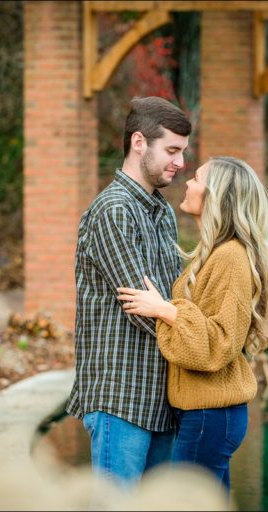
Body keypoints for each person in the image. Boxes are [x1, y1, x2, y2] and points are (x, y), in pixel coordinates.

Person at [116, 156, 268, 492]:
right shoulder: (215, 253)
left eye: (197, 178)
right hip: (205, 413)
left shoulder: (231, 258)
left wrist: (166, 310)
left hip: (211, 414)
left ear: (216, 196)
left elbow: (221, 343)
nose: (187, 183)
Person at [64, 96, 191, 487]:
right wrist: (201, 341)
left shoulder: (161, 211)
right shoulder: (114, 210)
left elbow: (173, 299)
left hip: (161, 397)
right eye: (172, 150)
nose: (180, 163)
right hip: (121, 397)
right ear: (139, 143)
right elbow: (144, 309)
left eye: (183, 152)